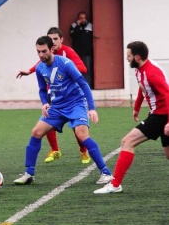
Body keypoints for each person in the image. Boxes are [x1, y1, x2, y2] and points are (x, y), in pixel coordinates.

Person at [13, 36, 112, 186]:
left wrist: (91, 108)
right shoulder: (40, 68)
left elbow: (84, 85)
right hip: (57, 106)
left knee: (81, 135)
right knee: (36, 132)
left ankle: (106, 173)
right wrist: (45, 103)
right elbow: (41, 89)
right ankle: (29, 173)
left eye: (44, 51)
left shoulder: (66, 63)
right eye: (38, 52)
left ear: (52, 49)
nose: (41, 55)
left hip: (75, 104)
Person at [94, 41, 169, 194]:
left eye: (128, 56)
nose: (126, 59)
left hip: (162, 115)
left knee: (127, 141)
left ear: (137, 57)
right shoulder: (139, 69)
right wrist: (136, 107)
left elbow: (168, 95)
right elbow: (143, 88)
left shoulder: (152, 73)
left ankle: (115, 184)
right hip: (159, 114)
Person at [16, 27, 91, 164]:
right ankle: (55, 150)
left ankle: (83, 150)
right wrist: (29, 71)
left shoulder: (67, 53)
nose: (53, 41)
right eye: (50, 39)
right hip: (54, 94)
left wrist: (67, 68)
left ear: (61, 39)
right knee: (48, 118)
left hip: (70, 95)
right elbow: (39, 65)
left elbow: (83, 69)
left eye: (55, 39)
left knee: (77, 127)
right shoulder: (46, 55)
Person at [69, 11, 93, 87]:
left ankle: (87, 85)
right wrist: (77, 26)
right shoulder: (73, 25)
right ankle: (77, 85)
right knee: (76, 69)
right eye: (80, 18)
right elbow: (72, 35)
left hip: (86, 52)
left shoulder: (89, 25)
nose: (82, 19)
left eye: (84, 18)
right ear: (78, 18)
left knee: (87, 69)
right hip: (77, 53)